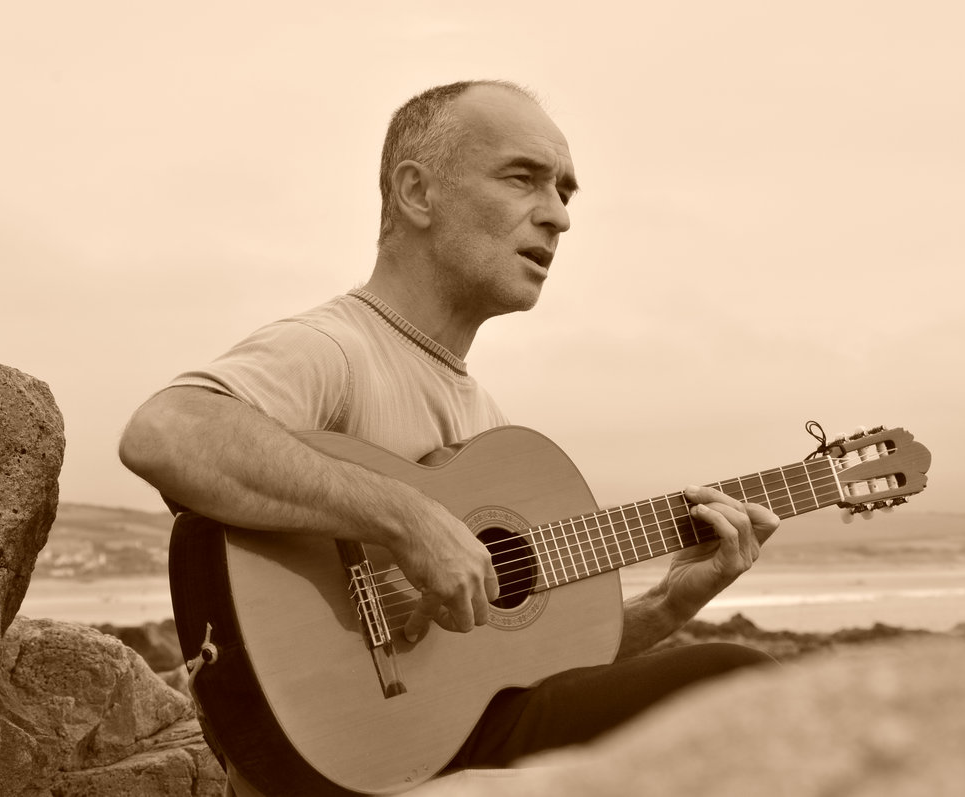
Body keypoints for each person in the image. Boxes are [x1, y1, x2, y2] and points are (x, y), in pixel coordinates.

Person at [119, 80, 780, 789]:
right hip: (349, 759)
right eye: (524, 178)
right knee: (736, 680)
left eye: (565, 191)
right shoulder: (334, 348)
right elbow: (165, 431)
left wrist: (671, 602)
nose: (558, 216)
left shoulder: (492, 429)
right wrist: (410, 519)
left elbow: (526, 679)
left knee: (730, 696)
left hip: (442, 750)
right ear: (416, 193)